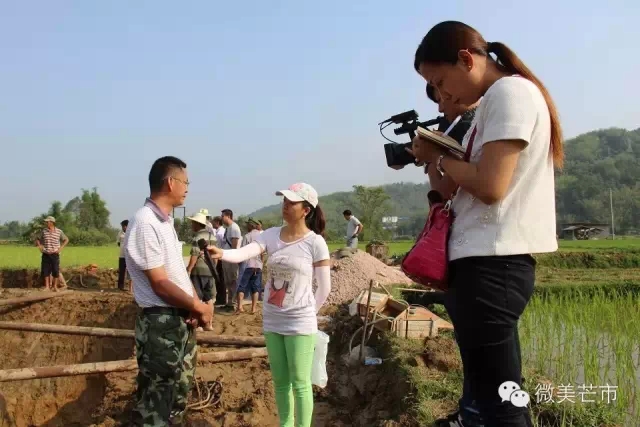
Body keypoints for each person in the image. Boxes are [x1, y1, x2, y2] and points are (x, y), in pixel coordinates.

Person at [410, 21, 563, 427]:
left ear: (466, 59)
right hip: (481, 266)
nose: (443, 95)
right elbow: (449, 190)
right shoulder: (488, 108)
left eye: (441, 82)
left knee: (502, 406)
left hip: (493, 266)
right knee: (488, 396)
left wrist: (441, 157)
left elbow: (491, 186)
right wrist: (433, 158)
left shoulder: (510, 93)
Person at [207, 183, 331, 427]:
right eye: (284, 200)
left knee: (300, 382)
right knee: (281, 382)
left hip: (300, 322)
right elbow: (246, 252)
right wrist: (223, 254)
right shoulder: (271, 235)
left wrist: (307, 313)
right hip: (273, 319)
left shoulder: (315, 243)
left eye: (291, 202)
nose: (285, 205)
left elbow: (324, 288)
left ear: (306, 210)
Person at [124, 156, 212, 426]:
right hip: (160, 324)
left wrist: (194, 304)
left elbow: (177, 274)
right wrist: (198, 306)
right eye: (186, 182)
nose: (187, 189)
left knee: (177, 394)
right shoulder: (145, 222)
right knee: (157, 400)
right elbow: (160, 283)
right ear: (171, 182)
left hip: (179, 320)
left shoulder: (165, 222)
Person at [425, 83, 484, 427]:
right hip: (462, 251)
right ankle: (469, 412)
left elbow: (474, 187)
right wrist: (433, 160)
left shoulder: (473, 128)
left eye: (446, 97)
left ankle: (476, 414)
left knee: (482, 350)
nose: (443, 108)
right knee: (471, 345)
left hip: (481, 254)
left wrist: (439, 156)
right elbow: (441, 193)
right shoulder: (460, 133)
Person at [185, 211, 217, 330]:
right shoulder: (212, 237)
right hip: (210, 270)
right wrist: (213, 268)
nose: (192, 225)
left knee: (197, 297)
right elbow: (215, 256)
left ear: (197, 224)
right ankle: (209, 324)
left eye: (193, 223)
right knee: (209, 298)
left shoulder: (197, 237)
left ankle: (198, 324)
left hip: (198, 270)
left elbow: (194, 254)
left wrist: (189, 269)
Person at [235, 218, 263, 314]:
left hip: (247, 265)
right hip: (258, 265)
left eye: (248, 224)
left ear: (251, 225)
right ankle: (253, 308)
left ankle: (240, 307)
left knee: (241, 286)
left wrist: (239, 262)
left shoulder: (247, 236)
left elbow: (243, 252)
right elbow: (263, 252)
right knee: (256, 287)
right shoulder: (261, 236)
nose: (246, 226)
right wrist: (261, 263)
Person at [35, 216, 69, 292]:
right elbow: (37, 239)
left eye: (48, 222)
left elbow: (66, 239)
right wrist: (40, 246)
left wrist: (60, 248)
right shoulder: (44, 231)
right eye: (46, 222)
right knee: (46, 270)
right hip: (46, 253)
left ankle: (55, 287)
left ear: (52, 222)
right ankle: (47, 287)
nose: (46, 223)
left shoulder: (59, 231)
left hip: (55, 254)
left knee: (55, 270)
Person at [220, 209, 242, 311]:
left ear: (228, 216)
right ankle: (229, 302)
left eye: (223, 216)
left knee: (233, 281)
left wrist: (232, 257)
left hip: (231, 259)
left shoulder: (234, 228)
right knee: (228, 281)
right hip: (226, 258)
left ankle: (232, 303)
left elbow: (234, 245)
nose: (221, 218)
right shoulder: (228, 228)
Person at [210, 216, 227, 306]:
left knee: (220, 278)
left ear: (217, 222)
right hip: (220, 256)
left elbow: (220, 246)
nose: (212, 223)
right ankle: (220, 298)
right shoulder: (219, 231)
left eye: (213, 222)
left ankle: (221, 298)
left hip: (220, 257)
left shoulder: (220, 233)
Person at [117, 219, 129, 291]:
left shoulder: (131, 232)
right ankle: (120, 286)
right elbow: (118, 243)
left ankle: (131, 287)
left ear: (127, 226)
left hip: (129, 256)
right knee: (121, 271)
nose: (122, 228)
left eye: (123, 226)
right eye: (122, 226)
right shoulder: (120, 233)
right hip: (122, 255)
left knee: (131, 272)